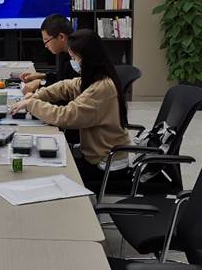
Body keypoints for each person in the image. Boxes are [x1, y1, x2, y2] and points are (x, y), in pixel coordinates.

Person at [9, 29, 130, 189]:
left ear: (88, 59)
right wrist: (37, 96)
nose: (74, 63)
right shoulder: (95, 79)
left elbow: (66, 116)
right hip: (95, 154)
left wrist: (31, 104)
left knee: (48, 173)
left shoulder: (102, 88)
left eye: (74, 58)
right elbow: (66, 86)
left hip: (106, 164)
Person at [20, 14, 78, 94]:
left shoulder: (78, 55)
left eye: (46, 40)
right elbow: (61, 77)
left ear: (61, 37)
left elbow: (68, 88)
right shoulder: (64, 52)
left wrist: (40, 83)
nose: (46, 46)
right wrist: (43, 76)